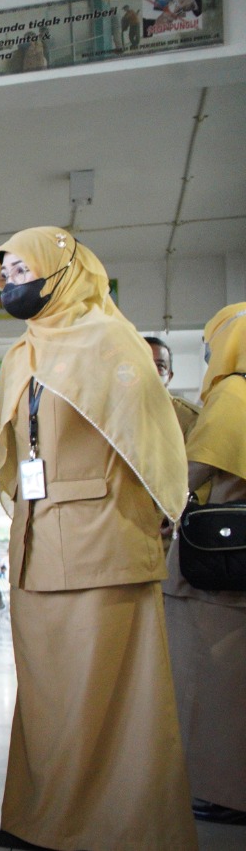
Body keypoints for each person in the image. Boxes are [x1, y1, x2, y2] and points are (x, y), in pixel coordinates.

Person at [0, 227, 196, 851]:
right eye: (7, 273)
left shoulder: (111, 341)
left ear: (63, 269)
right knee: (46, 697)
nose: (13, 282)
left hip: (103, 542)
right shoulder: (22, 353)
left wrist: (159, 514)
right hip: (34, 542)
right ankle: (40, 818)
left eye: (25, 269)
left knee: (104, 700)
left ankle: (119, 831)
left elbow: (150, 443)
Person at [163, 302, 246, 826]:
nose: (211, 354)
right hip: (233, 562)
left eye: (214, 343)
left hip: (216, 565)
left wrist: (159, 499)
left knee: (213, 680)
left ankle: (224, 791)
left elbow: (197, 466)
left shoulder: (233, 392)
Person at [145, 335, 200, 439]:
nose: (152, 370)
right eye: (146, 363)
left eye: (160, 366)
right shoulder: (117, 415)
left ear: (169, 376)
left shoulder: (189, 418)